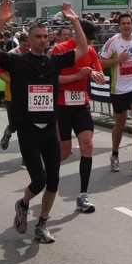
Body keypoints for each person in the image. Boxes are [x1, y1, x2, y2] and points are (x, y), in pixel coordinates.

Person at [0, 0, 90, 244]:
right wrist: (0, 24)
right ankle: (23, 204)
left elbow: (83, 49)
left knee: (53, 181)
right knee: (39, 180)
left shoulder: (54, 61)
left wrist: (75, 21)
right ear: (29, 40)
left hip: (49, 129)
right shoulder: (17, 62)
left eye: (45, 36)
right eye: (38, 37)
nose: (43, 40)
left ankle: (42, 224)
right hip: (28, 130)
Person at [52, 20, 106, 213]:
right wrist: (76, 76)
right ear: (78, 33)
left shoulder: (90, 51)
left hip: (81, 103)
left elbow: (98, 72)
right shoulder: (60, 49)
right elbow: (51, 78)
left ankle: (83, 195)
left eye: (91, 37)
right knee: (64, 152)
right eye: (87, 36)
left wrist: (95, 75)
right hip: (61, 105)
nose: (89, 40)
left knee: (87, 144)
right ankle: (46, 177)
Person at [98, 13, 132, 176]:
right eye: (123, 23)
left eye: (129, 23)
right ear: (119, 26)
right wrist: (118, 60)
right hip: (118, 89)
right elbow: (100, 62)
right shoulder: (113, 42)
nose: (126, 26)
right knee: (120, 124)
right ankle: (114, 154)